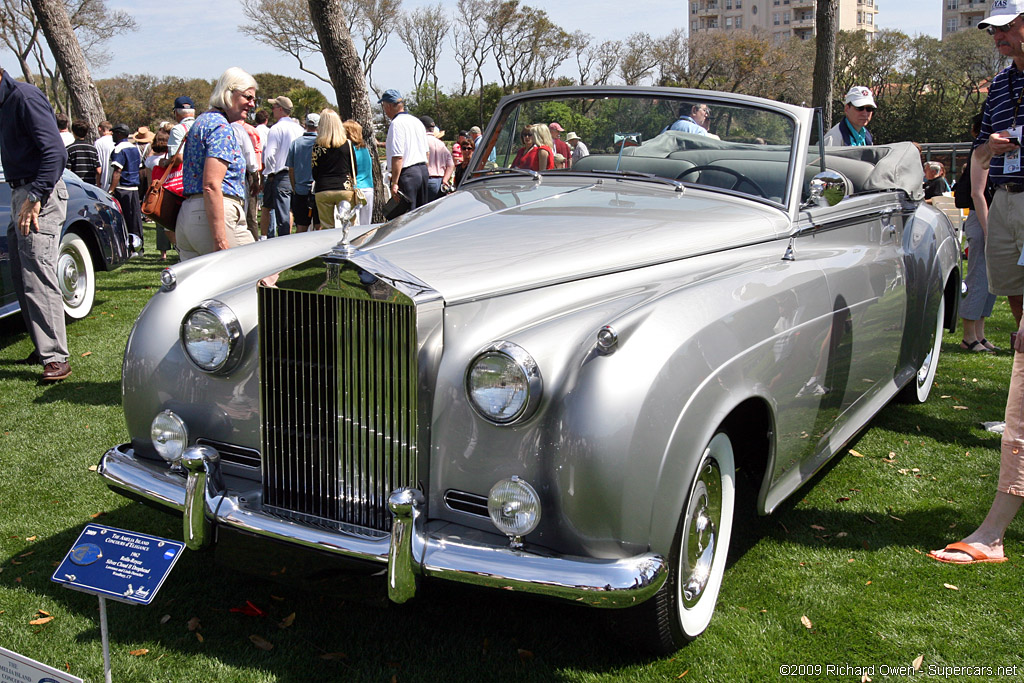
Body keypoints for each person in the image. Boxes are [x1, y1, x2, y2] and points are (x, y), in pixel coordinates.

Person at [0, 66, 72, 380]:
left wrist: (36, 194)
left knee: (37, 275)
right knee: (21, 272)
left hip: (39, 193)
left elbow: (55, 152)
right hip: (21, 191)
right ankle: (43, 345)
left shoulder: (24, 97)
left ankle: (56, 357)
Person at [970, 1, 1024, 327]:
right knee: (1012, 290)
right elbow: (978, 153)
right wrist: (989, 146)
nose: (998, 36)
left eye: (1006, 27)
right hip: (1002, 195)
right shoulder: (1000, 83)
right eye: (994, 29)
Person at [174, 66, 257, 260]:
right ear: (229, 93)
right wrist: (220, 239)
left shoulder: (202, 122)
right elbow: (211, 185)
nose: (252, 104)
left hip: (187, 216)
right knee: (261, 276)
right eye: (247, 97)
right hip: (213, 216)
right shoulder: (221, 127)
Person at [955, 113, 998, 353]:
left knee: (990, 279)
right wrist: (987, 228)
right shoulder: (980, 150)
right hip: (979, 217)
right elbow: (976, 193)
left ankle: (979, 334)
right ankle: (968, 335)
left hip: (992, 216)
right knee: (978, 275)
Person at [379, 89, 428, 213]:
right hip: (422, 170)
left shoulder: (396, 124)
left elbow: (398, 156)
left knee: (407, 216)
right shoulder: (417, 122)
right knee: (420, 213)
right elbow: (426, 152)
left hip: (408, 173)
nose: (384, 110)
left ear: (389, 106)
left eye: (384, 106)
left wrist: (395, 182)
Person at [262, 95, 304, 236]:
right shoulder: (299, 129)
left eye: (273, 108)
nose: (272, 111)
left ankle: (283, 242)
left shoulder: (276, 128)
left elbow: (269, 154)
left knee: (282, 214)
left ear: (280, 109)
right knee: (296, 212)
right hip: (299, 174)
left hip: (282, 174)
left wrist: (270, 172)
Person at [311, 109, 359, 230]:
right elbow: (354, 169)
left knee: (327, 228)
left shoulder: (317, 146)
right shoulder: (347, 144)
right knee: (349, 225)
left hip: (323, 188)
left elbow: (314, 172)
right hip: (345, 187)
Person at [108, 123, 144, 251]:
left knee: (124, 220)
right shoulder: (134, 148)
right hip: (134, 188)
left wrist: (111, 189)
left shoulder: (119, 149)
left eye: (113, 133)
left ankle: (130, 247)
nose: (112, 136)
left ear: (119, 134)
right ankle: (138, 247)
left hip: (123, 188)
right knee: (135, 219)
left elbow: (118, 171)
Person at [143, 130, 174, 260]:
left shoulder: (150, 160)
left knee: (161, 224)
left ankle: (163, 253)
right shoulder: (172, 159)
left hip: (159, 193)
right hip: (172, 190)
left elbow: (150, 181)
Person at [287, 112, 320, 232]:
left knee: (301, 226)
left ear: (306, 124)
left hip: (300, 190)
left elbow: (291, 169)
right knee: (319, 226)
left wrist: (294, 187)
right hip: (318, 190)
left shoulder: (296, 143)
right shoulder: (321, 143)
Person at [343, 118, 375, 225]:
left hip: (355, 190)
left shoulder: (348, 149)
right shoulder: (365, 149)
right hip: (368, 188)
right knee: (366, 225)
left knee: (353, 225)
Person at [420, 115, 454, 202]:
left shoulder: (420, 142)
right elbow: (451, 165)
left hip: (427, 181)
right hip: (440, 182)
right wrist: (445, 179)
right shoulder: (441, 144)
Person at [66, 120, 100, 185]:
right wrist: (98, 185)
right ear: (86, 132)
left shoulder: (69, 149)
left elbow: (68, 171)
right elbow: (98, 170)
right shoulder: (93, 149)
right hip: (91, 186)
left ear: (73, 132)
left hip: (76, 185)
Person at [95, 120, 114, 190]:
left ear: (100, 128)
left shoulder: (98, 143)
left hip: (104, 182)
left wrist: (98, 183)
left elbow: (98, 165)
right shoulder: (116, 140)